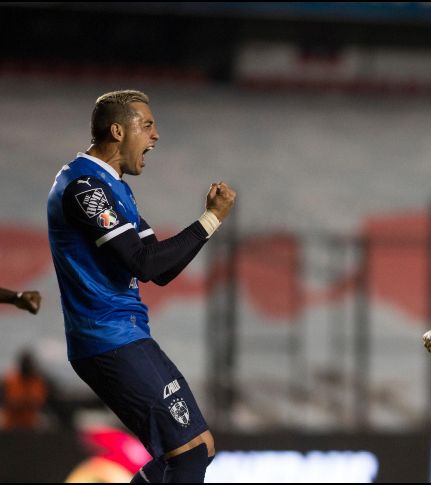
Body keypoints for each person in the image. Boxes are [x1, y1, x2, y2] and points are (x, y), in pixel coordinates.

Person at [47, 90, 236, 483]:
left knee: (197, 448)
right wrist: (209, 219)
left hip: (125, 336)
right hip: (107, 339)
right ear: (118, 130)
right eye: (147, 125)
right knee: (189, 453)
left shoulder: (114, 188)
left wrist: (210, 221)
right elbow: (142, 263)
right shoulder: (85, 189)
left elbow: (160, 269)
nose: (156, 136)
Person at [1, 349, 48, 429]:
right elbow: (6, 401)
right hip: (10, 426)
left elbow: (40, 402)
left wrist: (22, 402)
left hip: (31, 426)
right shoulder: (10, 380)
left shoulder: (38, 382)